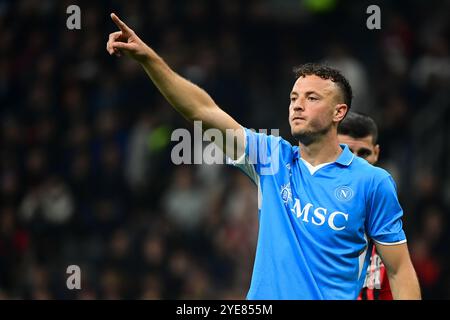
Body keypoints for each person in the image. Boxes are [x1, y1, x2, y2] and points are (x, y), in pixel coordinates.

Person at [106, 13, 421, 299]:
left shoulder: (372, 182)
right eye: (294, 97)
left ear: (339, 112)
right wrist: (149, 60)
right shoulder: (272, 157)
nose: (297, 105)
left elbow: (399, 270)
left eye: (311, 98)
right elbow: (201, 109)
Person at [337, 111, 392, 300]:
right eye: (345, 151)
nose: (355, 161)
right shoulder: (309, 214)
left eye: (364, 153)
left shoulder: (387, 227)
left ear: (376, 153)